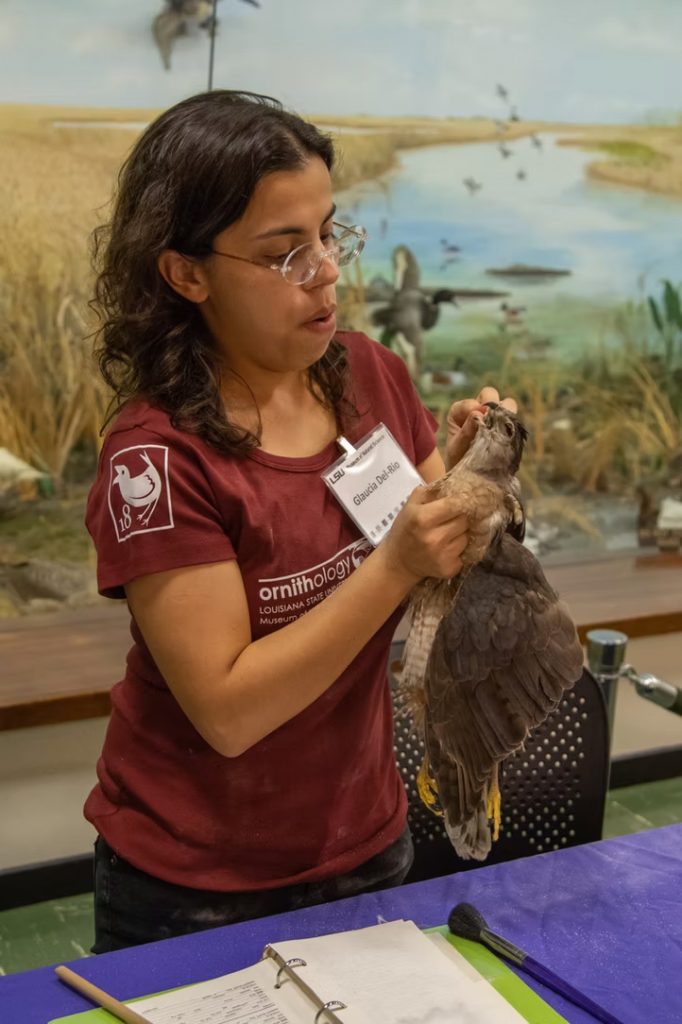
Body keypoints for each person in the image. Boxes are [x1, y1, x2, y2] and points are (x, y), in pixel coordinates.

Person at [85, 89, 517, 952]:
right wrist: (393, 563)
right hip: (194, 879)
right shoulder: (156, 461)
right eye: (285, 254)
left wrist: (473, 486)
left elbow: (447, 575)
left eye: (329, 233)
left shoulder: (367, 373)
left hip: (363, 838)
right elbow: (229, 712)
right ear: (186, 273)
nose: (326, 270)